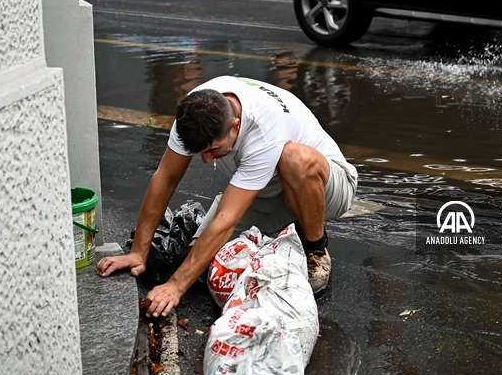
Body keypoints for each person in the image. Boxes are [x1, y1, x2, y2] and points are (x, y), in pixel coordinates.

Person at [96, 76, 358, 317]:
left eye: (213, 150)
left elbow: (226, 220)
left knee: (295, 159)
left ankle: (315, 247)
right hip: (268, 192)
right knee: (206, 266)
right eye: (201, 152)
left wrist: (175, 287)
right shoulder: (193, 113)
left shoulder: (263, 129)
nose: (206, 159)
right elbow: (164, 179)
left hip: (329, 187)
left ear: (235, 125)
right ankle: (287, 227)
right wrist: (138, 253)